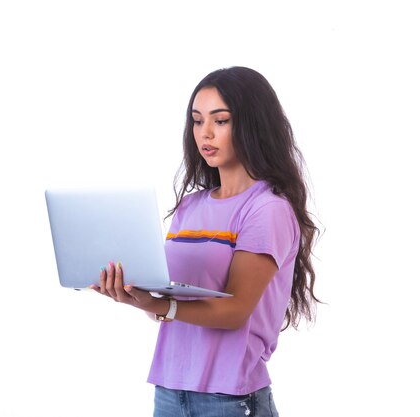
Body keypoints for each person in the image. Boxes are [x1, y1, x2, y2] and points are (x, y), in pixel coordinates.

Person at [91, 66, 320, 417]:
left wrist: (157, 306)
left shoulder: (267, 209)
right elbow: (177, 304)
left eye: (221, 120)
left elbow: (234, 311)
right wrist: (138, 295)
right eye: (197, 121)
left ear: (252, 125)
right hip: (170, 391)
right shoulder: (190, 207)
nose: (206, 133)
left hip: (229, 399)